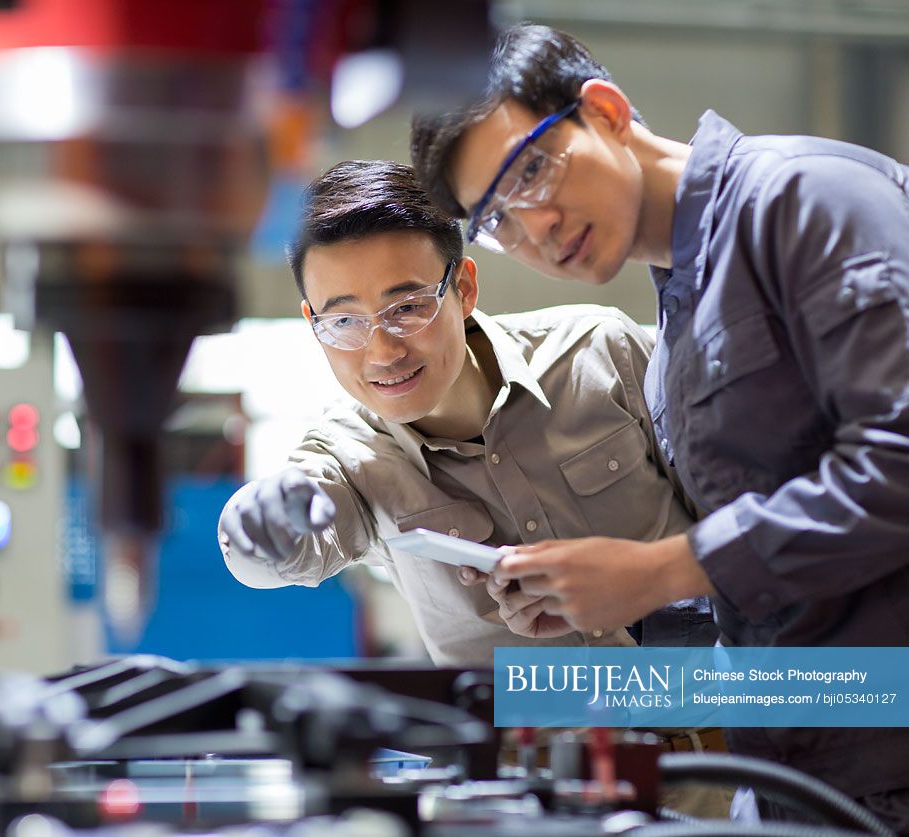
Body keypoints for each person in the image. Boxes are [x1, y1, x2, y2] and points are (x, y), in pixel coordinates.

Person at [410, 23, 909, 830]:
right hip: (796, 768)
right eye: (497, 220)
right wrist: (602, 597)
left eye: (531, 170)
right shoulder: (676, 326)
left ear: (604, 110)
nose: (534, 227)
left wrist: (666, 568)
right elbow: (778, 587)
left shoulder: (803, 200)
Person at [217, 158, 717, 662]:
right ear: (313, 320)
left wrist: (656, 587)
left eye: (407, 308)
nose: (383, 352)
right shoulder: (348, 457)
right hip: (533, 738)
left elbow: (748, 526)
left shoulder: (600, 353)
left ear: (465, 288)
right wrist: (256, 525)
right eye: (344, 320)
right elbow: (276, 555)